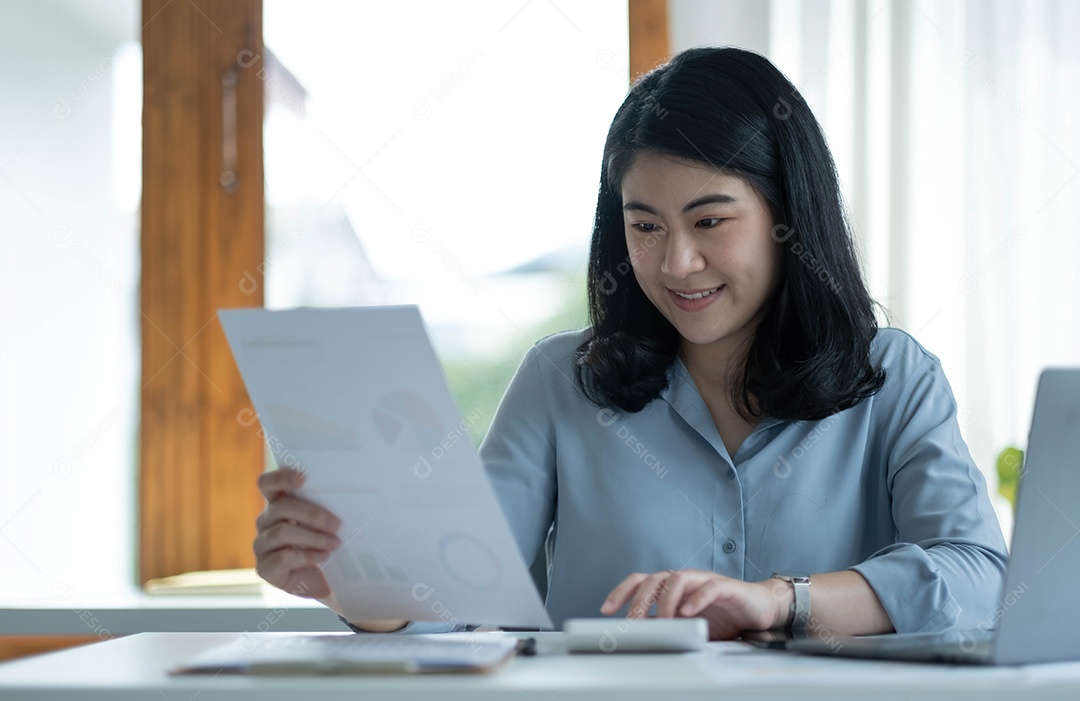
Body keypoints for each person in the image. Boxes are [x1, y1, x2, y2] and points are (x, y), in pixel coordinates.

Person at [253, 46, 1007, 640]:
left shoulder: (893, 376)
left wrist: (782, 600)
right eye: (645, 226)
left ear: (788, 217)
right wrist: (357, 582)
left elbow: (981, 578)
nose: (676, 262)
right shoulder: (560, 380)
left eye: (709, 221)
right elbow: (462, 598)